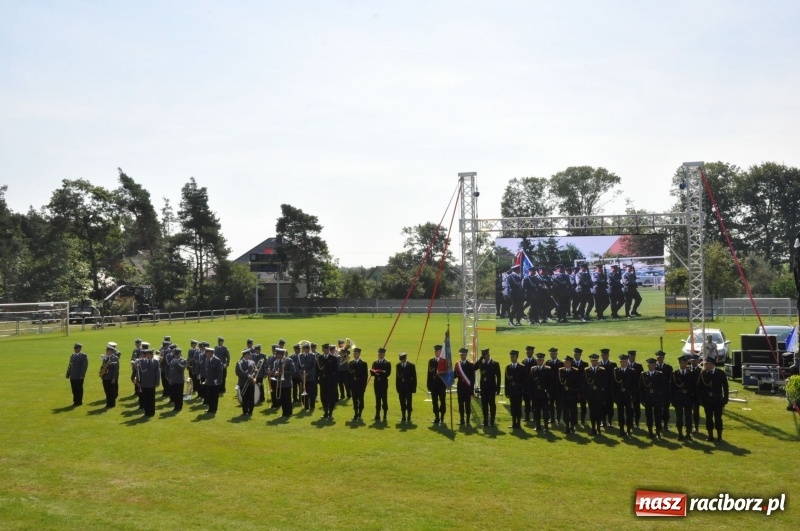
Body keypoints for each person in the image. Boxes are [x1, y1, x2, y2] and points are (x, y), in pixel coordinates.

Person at [697, 356, 728, 442]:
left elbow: (725, 387)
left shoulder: (720, 373)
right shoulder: (703, 373)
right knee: (708, 418)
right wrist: (701, 399)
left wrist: (725, 399)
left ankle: (719, 436)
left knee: (718, 418)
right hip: (708, 400)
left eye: (707, 364)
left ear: (712, 364)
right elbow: (699, 387)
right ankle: (710, 436)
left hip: (718, 399)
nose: (705, 365)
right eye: (705, 364)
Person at [669, 355, 696, 441]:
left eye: (686, 363)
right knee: (679, 417)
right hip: (678, 398)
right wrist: (673, 400)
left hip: (688, 397)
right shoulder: (675, 373)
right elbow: (671, 387)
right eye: (683, 363)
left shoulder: (690, 373)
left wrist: (693, 398)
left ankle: (688, 434)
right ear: (680, 363)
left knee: (688, 417)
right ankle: (680, 434)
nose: (684, 364)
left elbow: (693, 387)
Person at [640, 357, 667, 440]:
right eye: (649, 365)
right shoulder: (644, 374)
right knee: (649, 416)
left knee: (658, 416)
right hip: (648, 398)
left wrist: (663, 399)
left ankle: (658, 432)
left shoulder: (660, 374)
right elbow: (641, 388)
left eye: (652, 365)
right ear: (647, 366)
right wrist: (642, 399)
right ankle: (650, 432)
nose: (651, 366)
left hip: (657, 398)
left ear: (655, 365)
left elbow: (664, 387)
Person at [612, 354, 637, 438]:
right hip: (620, 396)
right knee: (620, 413)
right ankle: (621, 429)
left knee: (629, 413)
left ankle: (629, 429)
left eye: (624, 361)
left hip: (628, 396)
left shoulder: (631, 371)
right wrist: (615, 396)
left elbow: (634, 385)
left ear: (627, 361)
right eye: (621, 361)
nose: (622, 363)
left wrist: (633, 396)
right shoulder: (616, 371)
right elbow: (614, 385)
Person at [582, 354, 606, 435]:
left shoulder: (602, 370)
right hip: (591, 395)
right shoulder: (587, 370)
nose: (594, 362)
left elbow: (604, 383)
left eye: (596, 360)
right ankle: (593, 428)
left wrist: (603, 394)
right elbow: (584, 384)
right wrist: (585, 396)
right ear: (591, 361)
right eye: (593, 360)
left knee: (599, 412)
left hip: (599, 395)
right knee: (592, 412)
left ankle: (598, 428)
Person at [476, 348, 501, 427]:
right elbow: (474, 367)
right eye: (483, 357)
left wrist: (498, 387)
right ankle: (485, 420)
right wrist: (480, 360)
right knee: (484, 404)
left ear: (489, 355)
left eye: (486, 356)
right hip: (484, 387)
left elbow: (498, 376)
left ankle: (492, 420)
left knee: (492, 404)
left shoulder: (495, 364)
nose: (485, 358)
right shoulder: (482, 363)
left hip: (491, 386)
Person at [557, 356, 580, 434]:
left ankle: (572, 427)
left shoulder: (575, 371)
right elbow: (560, 383)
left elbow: (577, 383)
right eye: (565, 362)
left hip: (572, 394)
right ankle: (567, 427)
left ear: (570, 363)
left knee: (573, 412)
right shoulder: (561, 370)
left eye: (567, 362)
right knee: (565, 412)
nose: (566, 364)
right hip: (564, 395)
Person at [529, 352, 552, 432]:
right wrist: (531, 393)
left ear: (543, 360)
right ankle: (537, 425)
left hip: (544, 393)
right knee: (536, 410)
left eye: (541, 360)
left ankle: (546, 426)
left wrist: (548, 392)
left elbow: (550, 382)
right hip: (536, 393)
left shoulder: (547, 369)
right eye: (538, 360)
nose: (539, 361)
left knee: (545, 410)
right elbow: (531, 382)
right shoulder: (533, 369)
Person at [504, 350, 527, 429]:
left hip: (519, 390)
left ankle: (518, 423)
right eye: (511, 356)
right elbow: (506, 381)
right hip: (511, 390)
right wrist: (506, 391)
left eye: (513, 357)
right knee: (512, 407)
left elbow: (524, 380)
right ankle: (514, 422)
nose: (512, 358)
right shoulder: (508, 367)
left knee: (518, 407)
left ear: (517, 357)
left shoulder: (522, 367)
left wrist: (523, 391)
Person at [427, 344, 447, 424]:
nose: (436, 352)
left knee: (442, 401)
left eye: (438, 351)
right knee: (434, 402)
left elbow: (446, 373)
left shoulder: (444, 361)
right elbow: (429, 373)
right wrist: (428, 384)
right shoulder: (431, 361)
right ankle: (436, 417)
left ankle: (442, 417)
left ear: (441, 352)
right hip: (434, 386)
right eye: (435, 351)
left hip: (441, 386)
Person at [318, 343, 339, 419]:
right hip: (323, 381)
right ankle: (325, 412)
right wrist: (318, 379)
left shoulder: (333, 358)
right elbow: (317, 369)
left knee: (330, 397)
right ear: (322, 350)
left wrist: (336, 381)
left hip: (331, 381)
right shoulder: (319, 358)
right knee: (323, 397)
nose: (326, 350)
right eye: (324, 349)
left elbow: (336, 371)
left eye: (327, 349)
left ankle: (330, 412)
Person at [273, 348, 296, 417]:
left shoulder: (288, 361)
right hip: (280, 383)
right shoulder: (276, 362)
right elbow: (276, 371)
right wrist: (276, 374)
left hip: (287, 383)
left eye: (277, 354)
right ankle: (284, 413)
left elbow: (293, 371)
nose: (276, 355)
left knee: (287, 399)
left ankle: (289, 413)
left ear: (281, 354)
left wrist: (283, 373)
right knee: (282, 399)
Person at [454, 348, 475, 425]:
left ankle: (468, 420)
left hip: (467, 388)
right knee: (460, 404)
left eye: (463, 354)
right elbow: (455, 375)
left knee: (467, 405)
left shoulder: (470, 365)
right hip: (460, 388)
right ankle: (462, 419)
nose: (462, 356)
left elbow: (472, 379)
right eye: (461, 354)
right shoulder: (457, 365)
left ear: (466, 355)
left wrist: (471, 390)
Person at [370, 347, 392, 422]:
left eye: (381, 354)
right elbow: (372, 373)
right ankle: (377, 414)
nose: (380, 355)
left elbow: (388, 373)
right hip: (376, 383)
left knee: (384, 399)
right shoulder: (375, 362)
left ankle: (385, 414)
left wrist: (380, 374)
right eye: (379, 354)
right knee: (377, 399)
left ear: (384, 355)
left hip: (383, 383)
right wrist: (375, 372)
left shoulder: (387, 363)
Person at [138, 347, 160, 417]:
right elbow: (139, 372)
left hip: (151, 383)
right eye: (146, 354)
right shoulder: (141, 362)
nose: (146, 355)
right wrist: (138, 381)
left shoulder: (155, 362)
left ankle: (152, 412)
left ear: (151, 355)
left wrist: (157, 382)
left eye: (147, 354)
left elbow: (157, 373)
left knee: (151, 398)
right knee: (145, 398)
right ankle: (146, 412)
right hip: (144, 383)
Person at [396, 352, 417, 423]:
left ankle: (409, 416)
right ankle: (403, 416)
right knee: (402, 402)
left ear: (405, 358)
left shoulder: (411, 366)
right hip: (401, 387)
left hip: (408, 387)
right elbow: (397, 378)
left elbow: (414, 378)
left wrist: (413, 389)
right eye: (401, 359)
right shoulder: (398, 365)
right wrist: (397, 388)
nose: (402, 361)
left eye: (403, 359)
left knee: (409, 402)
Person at [654, 350, 673, 431]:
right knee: (657, 410)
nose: (659, 359)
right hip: (656, 393)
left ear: (663, 358)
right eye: (658, 358)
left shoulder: (668, 367)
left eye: (661, 357)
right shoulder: (654, 366)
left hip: (665, 392)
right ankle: (658, 425)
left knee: (665, 410)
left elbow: (671, 380)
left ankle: (665, 425)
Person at [598, 348, 617, 427]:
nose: (605, 356)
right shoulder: (598, 364)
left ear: (608, 355)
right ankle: (603, 421)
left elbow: (615, 378)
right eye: (603, 355)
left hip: (609, 390)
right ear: (601, 356)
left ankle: (610, 421)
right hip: (601, 390)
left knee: (610, 406)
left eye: (606, 355)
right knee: (601, 406)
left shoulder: (613, 365)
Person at [348, 348, 368, 421]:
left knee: (360, 400)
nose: (354, 354)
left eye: (356, 353)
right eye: (354, 353)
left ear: (359, 354)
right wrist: (349, 386)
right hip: (353, 385)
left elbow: (365, 376)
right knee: (354, 400)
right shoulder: (351, 363)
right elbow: (349, 376)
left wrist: (363, 386)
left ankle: (360, 413)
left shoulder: (363, 364)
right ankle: (356, 413)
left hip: (360, 385)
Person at [545, 347, 564, 424]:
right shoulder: (547, 363)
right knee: (550, 404)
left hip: (558, 387)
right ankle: (552, 418)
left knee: (559, 405)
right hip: (550, 387)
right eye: (551, 353)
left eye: (554, 353)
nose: (552, 355)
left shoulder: (560, 363)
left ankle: (558, 419)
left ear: (556, 354)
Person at [236, 348, 257, 416]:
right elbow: (238, 372)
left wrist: (253, 375)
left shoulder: (252, 362)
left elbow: (255, 370)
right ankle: (245, 412)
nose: (250, 355)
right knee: (244, 398)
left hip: (251, 383)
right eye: (249, 354)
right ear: (245, 355)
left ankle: (250, 411)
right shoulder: (239, 363)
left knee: (251, 398)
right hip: (243, 383)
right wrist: (247, 375)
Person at [99, 343, 119, 408]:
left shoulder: (115, 358)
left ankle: (112, 403)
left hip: (110, 377)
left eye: (109, 351)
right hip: (105, 377)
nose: (108, 352)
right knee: (106, 391)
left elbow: (115, 369)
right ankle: (108, 403)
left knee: (111, 391)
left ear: (112, 351)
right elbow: (102, 366)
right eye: (107, 351)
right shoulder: (105, 358)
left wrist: (114, 378)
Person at [204, 346, 223, 414]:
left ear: (211, 353)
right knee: (209, 395)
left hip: (215, 382)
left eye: (207, 352)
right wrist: (206, 379)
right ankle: (210, 408)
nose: (205, 353)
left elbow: (220, 372)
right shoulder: (207, 360)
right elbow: (207, 371)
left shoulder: (217, 360)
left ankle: (214, 409)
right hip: (209, 381)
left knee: (214, 396)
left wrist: (218, 381)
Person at [627, 350, 644, 428]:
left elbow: (642, 379)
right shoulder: (625, 365)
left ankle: (636, 423)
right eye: (631, 356)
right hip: (627, 391)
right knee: (628, 408)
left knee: (636, 407)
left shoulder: (639, 366)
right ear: (628, 357)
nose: (632, 358)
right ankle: (629, 423)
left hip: (636, 391)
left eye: (633, 356)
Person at [168, 347, 187, 412]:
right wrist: (170, 378)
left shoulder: (183, 360)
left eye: (177, 354)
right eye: (175, 354)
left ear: (179, 354)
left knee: (179, 394)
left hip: (179, 380)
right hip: (173, 380)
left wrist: (177, 363)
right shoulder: (173, 360)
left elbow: (182, 369)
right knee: (175, 394)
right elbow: (171, 370)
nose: (175, 355)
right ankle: (176, 406)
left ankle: (179, 407)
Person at [572, 348, 588, 425]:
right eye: (574, 354)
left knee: (583, 405)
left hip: (582, 388)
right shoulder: (571, 363)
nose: (575, 356)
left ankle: (582, 420)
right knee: (573, 406)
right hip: (573, 388)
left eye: (577, 354)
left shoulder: (585, 364)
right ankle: (575, 420)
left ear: (580, 355)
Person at [521, 346, 536, 421]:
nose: (528, 353)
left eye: (530, 351)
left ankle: (535, 417)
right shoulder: (524, 361)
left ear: (533, 352)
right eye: (527, 352)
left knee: (534, 402)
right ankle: (527, 416)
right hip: (526, 385)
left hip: (533, 385)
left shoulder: (536, 361)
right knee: (526, 401)